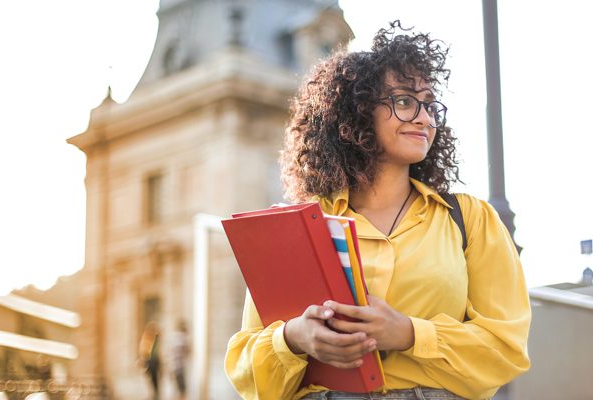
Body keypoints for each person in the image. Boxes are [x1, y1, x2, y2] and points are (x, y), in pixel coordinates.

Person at [225, 21, 531, 400]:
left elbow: (506, 350)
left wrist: (408, 333)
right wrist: (295, 338)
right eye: (404, 101)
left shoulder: (470, 220)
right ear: (357, 112)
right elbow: (246, 371)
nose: (424, 117)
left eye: (429, 104)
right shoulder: (301, 227)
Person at [138, 321, 161, 400]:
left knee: (155, 379)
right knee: (152, 379)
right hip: (150, 361)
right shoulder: (147, 338)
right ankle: (154, 393)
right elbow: (144, 351)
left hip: (154, 361)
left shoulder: (155, 339)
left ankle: (155, 393)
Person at [170, 320, 191, 399]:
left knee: (177, 389)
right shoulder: (183, 338)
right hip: (180, 367)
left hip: (174, 367)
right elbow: (188, 351)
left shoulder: (174, 337)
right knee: (182, 390)